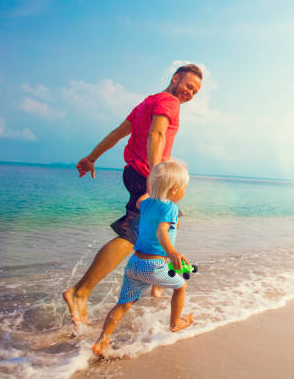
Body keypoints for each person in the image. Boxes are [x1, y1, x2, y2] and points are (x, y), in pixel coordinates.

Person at [63, 64, 202, 326]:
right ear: (175, 79)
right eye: (188, 86)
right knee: (131, 235)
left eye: (195, 92)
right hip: (148, 176)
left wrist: (92, 157)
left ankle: (156, 282)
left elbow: (118, 133)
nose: (190, 93)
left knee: (171, 219)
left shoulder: (147, 103)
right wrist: (154, 178)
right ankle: (79, 293)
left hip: (139, 173)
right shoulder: (168, 102)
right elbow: (157, 134)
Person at [92, 159, 194, 357]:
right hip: (153, 265)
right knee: (181, 286)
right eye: (184, 189)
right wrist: (172, 252)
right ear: (174, 190)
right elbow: (162, 230)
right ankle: (175, 323)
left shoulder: (147, 204)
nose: (184, 192)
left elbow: (139, 201)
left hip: (135, 263)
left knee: (123, 303)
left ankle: (102, 340)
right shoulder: (171, 208)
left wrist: (151, 189)